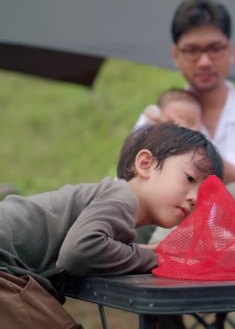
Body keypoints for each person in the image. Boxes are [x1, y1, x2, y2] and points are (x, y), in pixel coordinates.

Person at [134, 0, 235, 329]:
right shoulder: (153, 120)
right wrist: (164, 139)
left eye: (215, 48)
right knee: (139, 211)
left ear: (231, 51)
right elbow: (135, 191)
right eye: (192, 50)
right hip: (170, 236)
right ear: (176, 55)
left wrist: (203, 149)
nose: (205, 60)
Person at [0, 123, 223, 329]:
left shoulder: (116, 208)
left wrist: (147, 252)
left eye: (204, 194)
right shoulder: (122, 197)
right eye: (190, 179)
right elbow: (80, 251)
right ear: (145, 164)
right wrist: (159, 260)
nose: (194, 198)